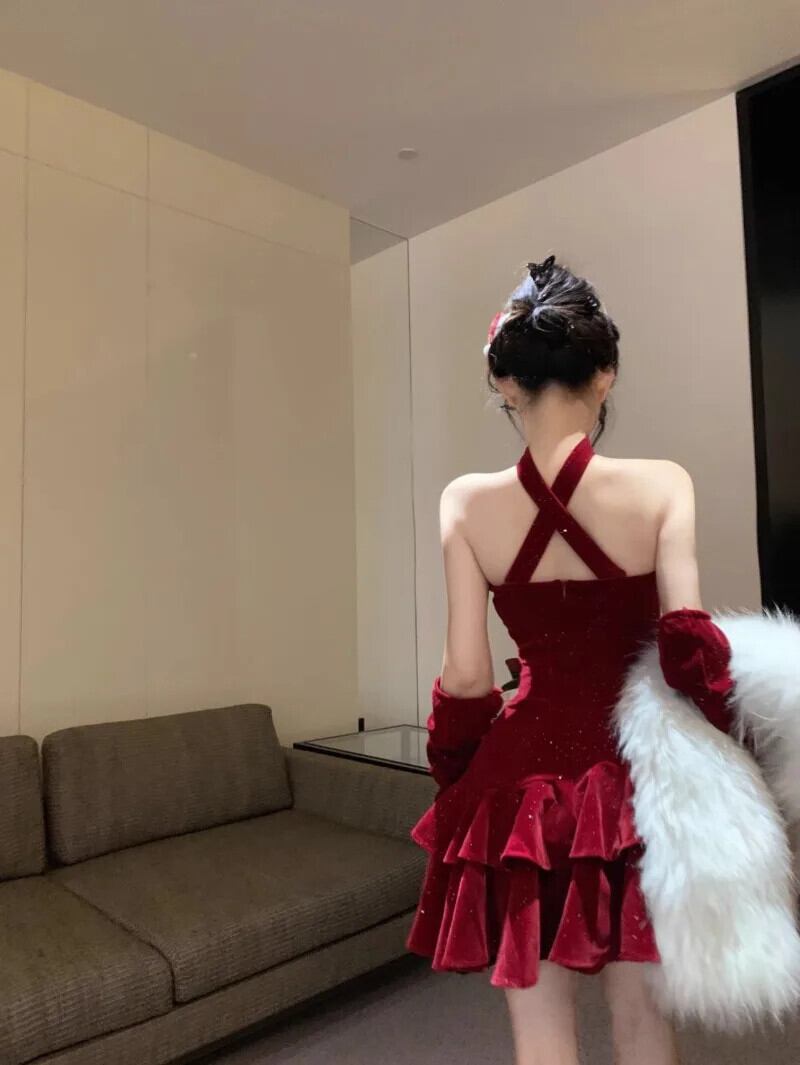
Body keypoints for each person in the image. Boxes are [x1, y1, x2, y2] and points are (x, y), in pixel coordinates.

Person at [405, 256, 735, 1065]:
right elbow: (688, 655)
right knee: (644, 1020)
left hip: (520, 789)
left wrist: (459, 777)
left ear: (504, 382)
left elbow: (469, 678)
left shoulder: (464, 504)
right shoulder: (664, 486)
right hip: (631, 779)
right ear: (605, 372)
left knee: (541, 1033)